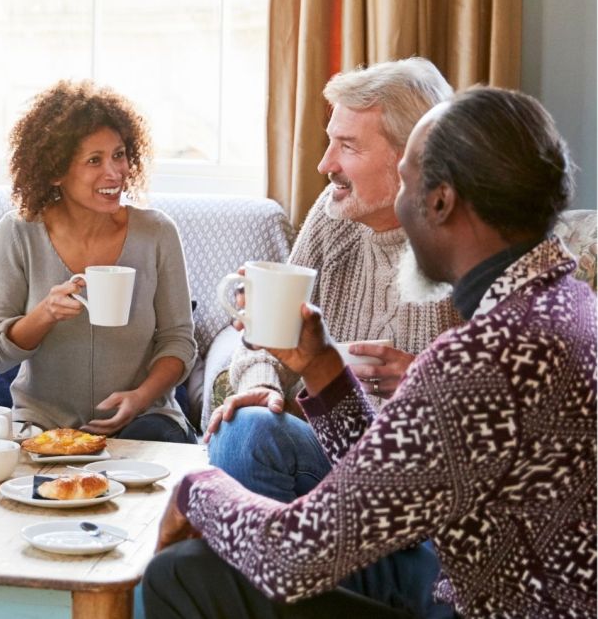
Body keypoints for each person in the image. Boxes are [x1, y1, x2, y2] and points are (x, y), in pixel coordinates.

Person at [144, 86, 596, 618]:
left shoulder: (484, 358)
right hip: (457, 570)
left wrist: (196, 489)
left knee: (181, 575)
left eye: (406, 181)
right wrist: (322, 368)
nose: (402, 204)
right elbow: (392, 480)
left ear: (441, 201)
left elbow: (295, 555)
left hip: (478, 604)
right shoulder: (566, 301)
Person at [206, 57, 463, 503]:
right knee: (245, 429)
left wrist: (427, 384)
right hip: (334, 451)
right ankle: (285, 563)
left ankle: (302, 561)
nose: (325, 164)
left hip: (421, 482)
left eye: (348, 146)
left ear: (413, 157)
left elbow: (506, 412)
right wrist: (263, 385)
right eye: (331, 142)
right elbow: (272, 340)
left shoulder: (467, 244)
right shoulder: (335, 217)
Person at [0, 80, 196, 443]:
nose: (114, 173)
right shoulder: (19, 232)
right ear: (55, 170)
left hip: (146, 420)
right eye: (94, 160)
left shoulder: (157, 232)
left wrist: (141, 398)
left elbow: (179, 341)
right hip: (44, 425)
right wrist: (45, 313)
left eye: (119, 154)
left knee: (152, 455)